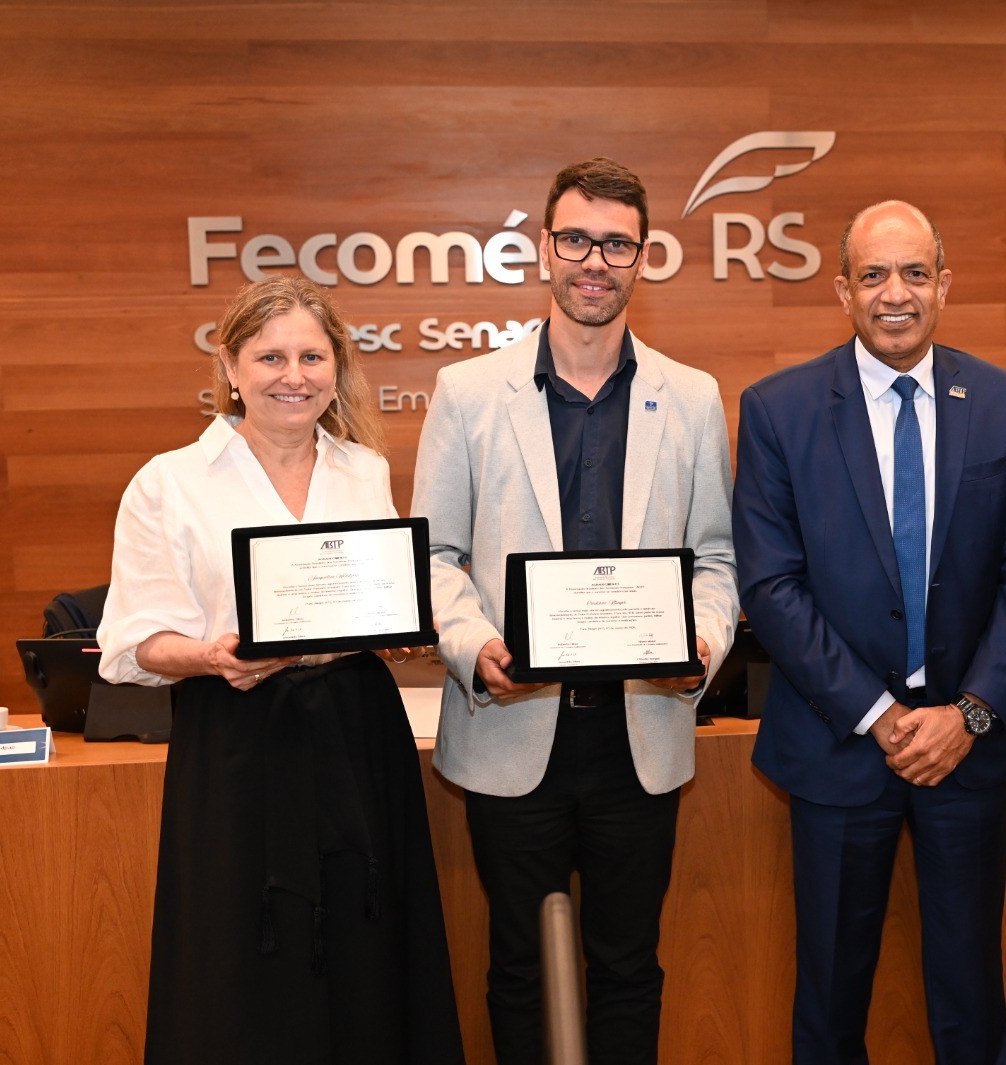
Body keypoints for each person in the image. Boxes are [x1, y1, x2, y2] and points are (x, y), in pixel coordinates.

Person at [411, 157, 739, 1065]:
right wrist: (476, 647)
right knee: (519, 966)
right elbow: (434, 556)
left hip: (641, 728)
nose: (596, 261)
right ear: (543, 249)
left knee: (630, 965)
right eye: (578, 239)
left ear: (644, 256)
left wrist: (702, 643)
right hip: (512, 726)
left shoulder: (695, 397)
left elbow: (717, 556)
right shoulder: (469, 392)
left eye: (618, 244)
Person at [98, 275, 465, 1065]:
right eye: (270, 356)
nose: (292, 374)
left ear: (337, 367)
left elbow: (371, 596)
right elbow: (134, 644)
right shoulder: (168, 482)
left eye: (310, 355)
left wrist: (395, 630)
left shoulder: (362, 469)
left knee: (368, 943)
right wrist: (210, 656)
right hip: (237, 735)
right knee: (244, 957)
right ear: (229, 364)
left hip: (357, 730)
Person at [732, 200, 1006, 1064]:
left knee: (970, 999)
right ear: (841, 290)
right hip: (840, 750)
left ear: (944, 285)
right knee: (831, 1003)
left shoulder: (1001, 402)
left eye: (915, 272)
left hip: (969, 752)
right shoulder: (778, 410)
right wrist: (879, 714)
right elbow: (770, 585)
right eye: (873, 274)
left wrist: (972, 714)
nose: (895, 294)